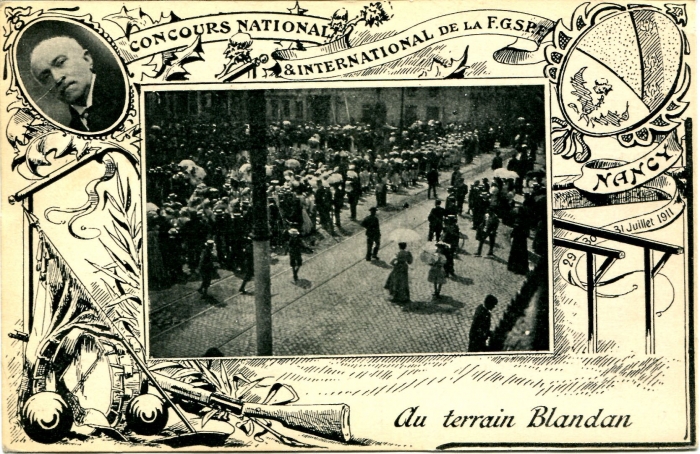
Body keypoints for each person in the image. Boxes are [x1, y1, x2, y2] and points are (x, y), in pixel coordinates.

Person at [29, 36, 125, 132]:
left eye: (61, 62)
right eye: (46, 76)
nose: (57, 78)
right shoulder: (71, 133)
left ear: (87, 59)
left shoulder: (126, 94)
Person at [507, 209, 530, 275]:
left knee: (516, 254)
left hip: (518, 240)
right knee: (520, 254)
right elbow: (527, 233)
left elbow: (515, 230)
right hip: (521, 241)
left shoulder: (519, 220)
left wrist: (512, 235)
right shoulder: (525, 221)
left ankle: (515, 268)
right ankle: (518, 268)